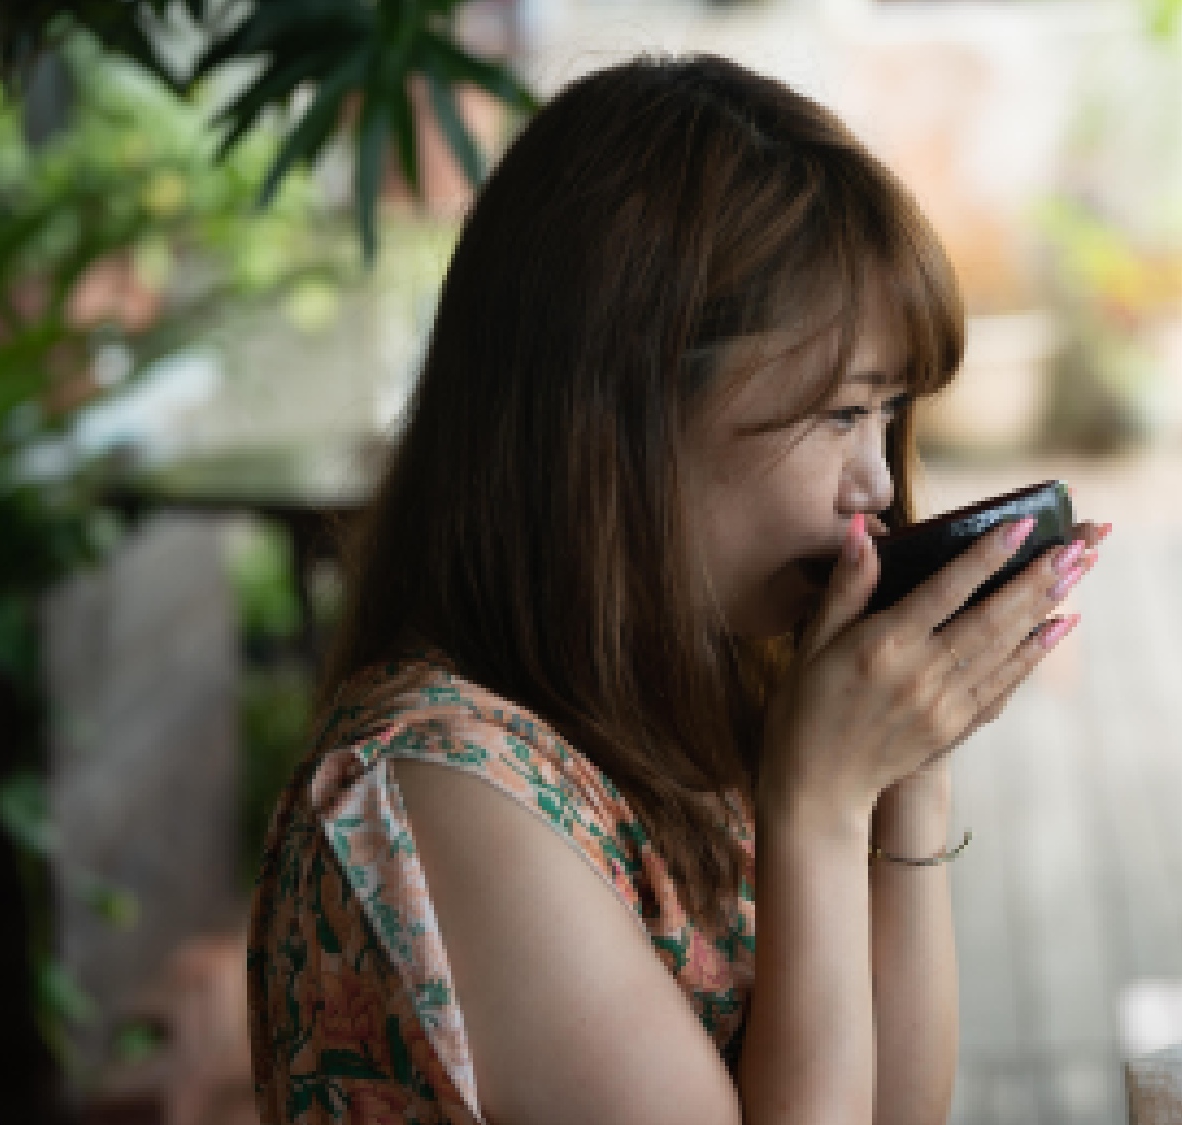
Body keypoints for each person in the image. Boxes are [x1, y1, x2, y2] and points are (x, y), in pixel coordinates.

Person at [246, 54, 1107, 1125]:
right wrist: (820, 808)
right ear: (625, 421)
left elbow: (899, 1114)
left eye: (889, 417)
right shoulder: (444, 790)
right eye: (841, 415)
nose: (878, 485)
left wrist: (903, 773)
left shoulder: (685, 691)